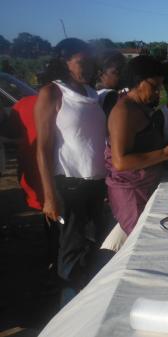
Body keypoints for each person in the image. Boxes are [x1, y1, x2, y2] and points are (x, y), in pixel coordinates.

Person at [34, 38, 107, 297]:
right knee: (71, 255)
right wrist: (49, 196)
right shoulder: (52, 93)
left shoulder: (91, 93)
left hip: (96, 186)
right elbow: (42, 148)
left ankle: (87, 308)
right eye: (80, 62)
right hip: (69, 186)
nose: (86, 67)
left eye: (89, 61)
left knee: (93, 248)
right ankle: (68, 315)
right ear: (64, 62)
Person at [105, 55, 168, 236]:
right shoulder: (123, 112)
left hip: (147, 185)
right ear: (137, 81)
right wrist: (166, 153)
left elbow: (144, 147)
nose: (158, 92)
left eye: (159, 87)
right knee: (142, 238)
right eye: (153, 86)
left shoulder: (142, 107)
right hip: (131, 193)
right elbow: (121, 162)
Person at [96, 49, 127, 115]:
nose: (122, 76)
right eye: (117, 72)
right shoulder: (111, 96)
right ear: (101, 74)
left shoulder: (92, 93)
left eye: (124, 71)